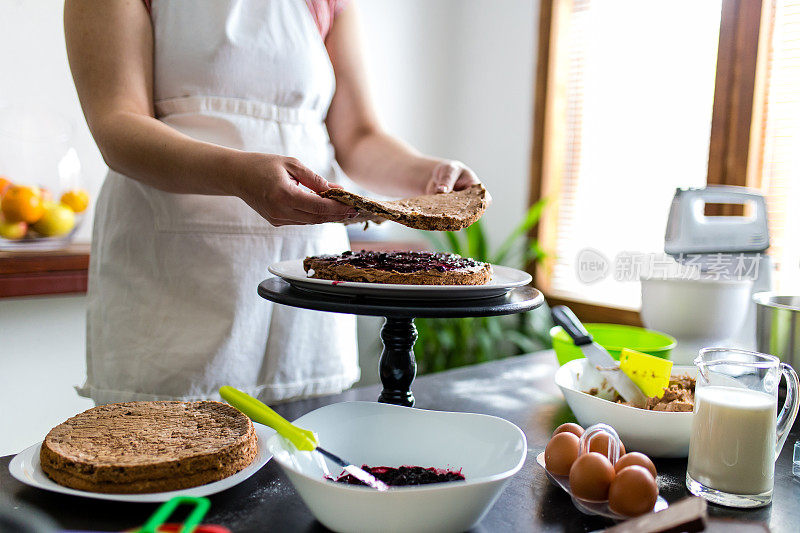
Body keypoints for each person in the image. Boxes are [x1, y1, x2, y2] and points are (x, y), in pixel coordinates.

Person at [64, 0, 480, 405]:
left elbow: (357, 136)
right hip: (172, 281)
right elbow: (117, 125)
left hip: (305, 278)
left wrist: (430, 176)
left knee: (304, 456)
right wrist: (239, 176)